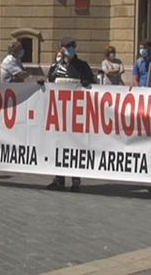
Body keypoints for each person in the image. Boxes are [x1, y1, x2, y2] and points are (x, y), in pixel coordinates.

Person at [46, 37, 94, 192]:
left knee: (75, 146)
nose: (70, 49)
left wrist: (87, 83)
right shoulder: (56, 66)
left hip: (76, 114)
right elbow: (50, 82)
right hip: (59, 114)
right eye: (67, 47)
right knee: (58, 145)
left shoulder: (82, 66)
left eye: (72, 46)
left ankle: (76, 181)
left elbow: (91, 82)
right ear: (61, 49)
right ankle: (58, 179)